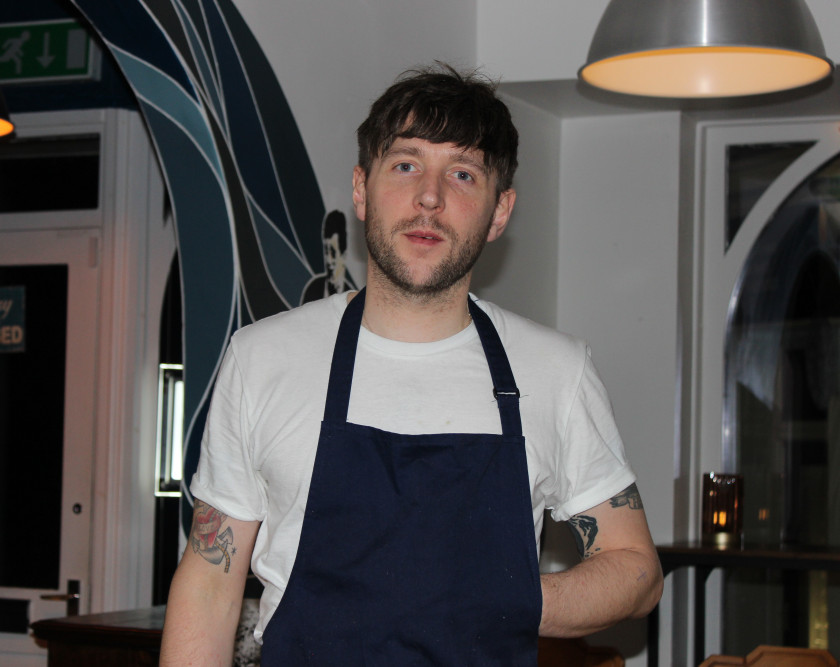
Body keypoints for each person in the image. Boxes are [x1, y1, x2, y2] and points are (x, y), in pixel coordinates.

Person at [160, 63, 663, 666]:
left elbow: (636, 573)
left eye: (462, 173)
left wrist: (511, 598)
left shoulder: (557, 371)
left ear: (499, 212)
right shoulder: (261, 358)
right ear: (360, 188)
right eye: (406, 165)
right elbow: (211, 580)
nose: (430, 197)